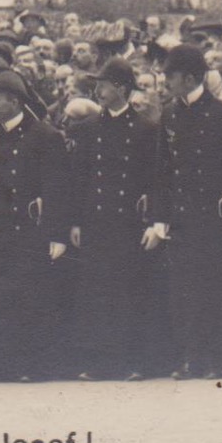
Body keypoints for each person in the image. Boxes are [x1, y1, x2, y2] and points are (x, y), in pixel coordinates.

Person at [153, 45, 222, 379]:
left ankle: (219, 358)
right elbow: (162, 169)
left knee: (216, 287)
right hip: (183, 217)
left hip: (215, 217)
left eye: (171, 75)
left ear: (190, 77)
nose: (165, 81)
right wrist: (160, 215)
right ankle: (192, 357)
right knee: (184, 289)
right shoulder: (169, 114)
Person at [0, 69, 70, 382]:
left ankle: (31, 365)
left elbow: (57, 188)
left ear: (14, 100)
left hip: (28, 229)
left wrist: (57, 233)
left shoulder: (45, 135)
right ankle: (0, 364)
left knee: (28, 297)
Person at [66, 58, 161, 381]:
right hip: (96, 220)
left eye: (103, 85)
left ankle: (133, 361)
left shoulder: (147, 129)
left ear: (120, 88)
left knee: (129, 290)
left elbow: (156, 180)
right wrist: (76, 221)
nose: (98, 91)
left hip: (129, 223)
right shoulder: (88, 129)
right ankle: (98, 361)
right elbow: (79, 178)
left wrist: (153, 222)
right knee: (96, 291)